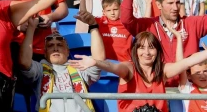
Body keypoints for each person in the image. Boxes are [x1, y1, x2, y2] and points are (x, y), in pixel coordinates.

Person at [71, 29, 207, 112]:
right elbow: (114, 67)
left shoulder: (163, 70)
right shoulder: (129, 68)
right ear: (135, 51)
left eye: (151, 47)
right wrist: (96, 62)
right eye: (142, 48)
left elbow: (187, 62)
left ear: (158, 51)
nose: (146, 52)